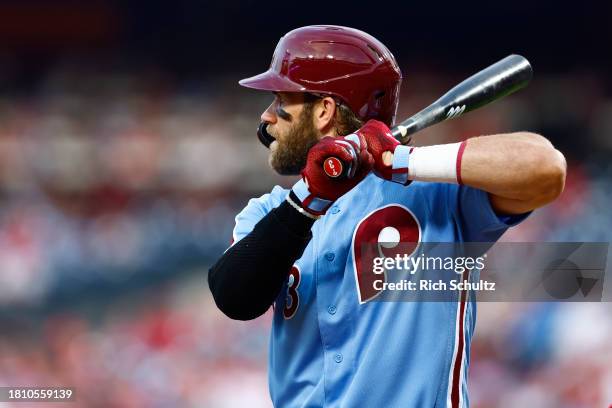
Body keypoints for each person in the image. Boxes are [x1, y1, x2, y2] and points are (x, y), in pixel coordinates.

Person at [208, 25, 566, 408]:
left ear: (325, 111)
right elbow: (235, 298)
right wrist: (312, 193)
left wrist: (403, 160)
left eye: (281, 102)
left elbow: (546, 168)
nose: (267, 118)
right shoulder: (267, 212)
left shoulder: (433, 192)